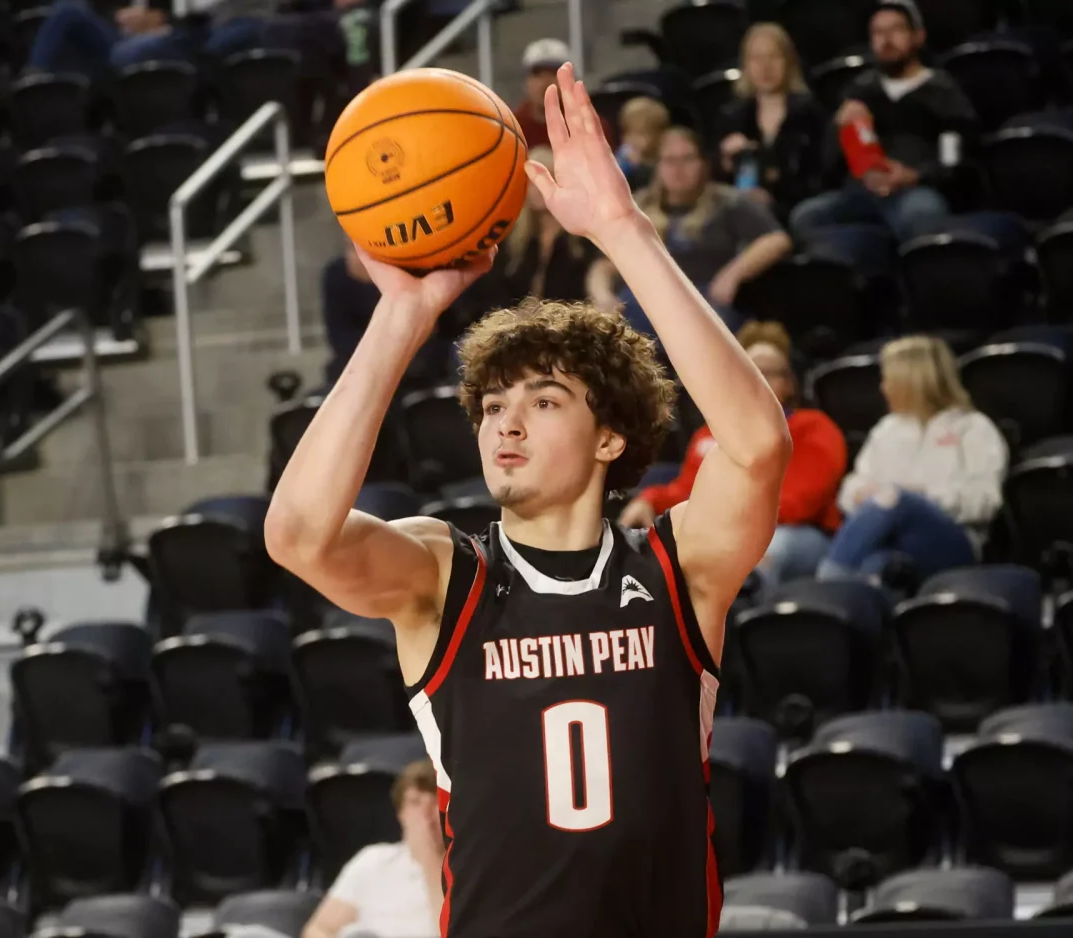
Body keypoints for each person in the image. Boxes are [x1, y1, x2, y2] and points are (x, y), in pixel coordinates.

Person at [266, 62, 792, 938]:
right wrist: (403, 315)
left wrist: (625, 232)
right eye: (493, 406)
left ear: (610, 437)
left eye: (544, 402)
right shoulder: (445, 577)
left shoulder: (678, 570)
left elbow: (758, 444)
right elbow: (298, 535)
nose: (506, 424)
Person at [620, 321, 846, 591]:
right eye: (750, 371)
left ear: (789, 384)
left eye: (770, 373)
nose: (759, 380)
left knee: (761, 550)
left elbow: (800, 505)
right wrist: (649, 500)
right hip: (725, 530)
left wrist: (727, 520)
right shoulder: (710, 434)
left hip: (799, 535)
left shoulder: (814, 427)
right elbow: (686, 491)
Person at [819, 335, 1008, 583]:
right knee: (877, 568)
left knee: (896, 498)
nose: (882, 388)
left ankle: (828, 580)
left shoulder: (973, 428)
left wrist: (925, 495)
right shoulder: (887, 429)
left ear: (912, 382)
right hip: (889, 539)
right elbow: (850, 488)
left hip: (954, 541)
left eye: (888, 379)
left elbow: (986, 500)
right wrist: (859, 494)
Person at [789, 0, 979, 245]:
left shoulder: (942, 92)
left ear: (918, 37)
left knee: (922, 212)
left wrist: (914, 175)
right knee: (807, 216)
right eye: (877, 33)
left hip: (914, 190)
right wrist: (837, 126)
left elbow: (955, 160)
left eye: (895, 30)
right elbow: (828, 166)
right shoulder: (858, 91)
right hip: (859, 193)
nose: (885, 40)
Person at [587, 127, 793, 334]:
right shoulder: (639, 205)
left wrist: (732, 274)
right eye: (669, 160)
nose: (678, 168)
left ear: (704, 164)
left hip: (704, 301)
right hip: (643, 303)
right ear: (657, 166)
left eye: (687, 159)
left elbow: (776, 239)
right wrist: (603, 296)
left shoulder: (727, 202)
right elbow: (604, 265)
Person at [455, 146, 601, 319]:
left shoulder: (580, 238)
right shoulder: (510, 237)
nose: (537, 188)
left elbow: (592, 282)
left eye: (547, 178)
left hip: (568, 328)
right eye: (531, 181)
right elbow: (492, 290)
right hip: (514, 330)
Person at [302, 760, 443, 938]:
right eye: (415, 803)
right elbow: (319, 929)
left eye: (436, 804)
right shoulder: (373, 860)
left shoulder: (473, 869)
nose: (425, 815)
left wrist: (431, 859)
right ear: (401, 814)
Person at [715, 22, 825, 222]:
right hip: (742, 212)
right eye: (756, 59)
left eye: (774, 57)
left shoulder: (810, 114)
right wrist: (725, 163)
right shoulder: (733, 117)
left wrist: (772, 196)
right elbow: (716, 183)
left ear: (789, 62)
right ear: (746, 65)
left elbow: (819, 179)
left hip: (796, 211)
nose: (765, 67)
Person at [321, 238, 454, 388]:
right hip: (362, 358)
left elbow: (439, 328)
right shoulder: (337, 274)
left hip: (417, 360)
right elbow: (339, 337)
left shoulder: (412, 268)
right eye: (351, 247)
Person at [28, 0, 272, 76]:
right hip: (119, 36)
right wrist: (120, 16)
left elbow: (193, 16)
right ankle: (34, 80)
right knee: (67, 10)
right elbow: (102, 9)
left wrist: (156, 19)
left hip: (169, 37)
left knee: (131, 53)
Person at [513, 39, 615, 150]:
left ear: (571, 79)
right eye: (537, 74)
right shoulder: (513, 124)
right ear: (526, 81)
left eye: (554, 73)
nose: (545, 82)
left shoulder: (590, 124)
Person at [615, 96, 671, 191]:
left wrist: (641, 166)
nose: (632, 139)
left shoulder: (665, 156)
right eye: (628, 132)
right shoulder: (625, 156)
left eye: (640, 133)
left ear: (658, 134)